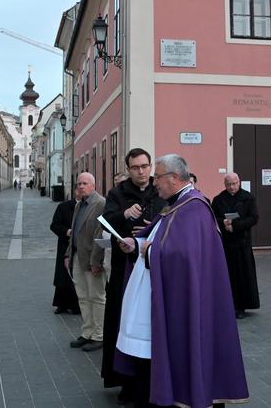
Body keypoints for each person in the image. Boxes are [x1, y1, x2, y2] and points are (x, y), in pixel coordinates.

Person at [117, 154, 249, 408]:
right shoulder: (177, 204)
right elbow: (161, 237)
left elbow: (183, 255)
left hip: (186, 299)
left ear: (174, 178)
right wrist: (138, 244)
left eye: (158, 177)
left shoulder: (195, 207)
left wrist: (149, 250)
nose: (155, 183)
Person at [101, 148, 166, 402]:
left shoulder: (159, 191)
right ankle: (125, 382)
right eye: (136, 167)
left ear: (150, 167)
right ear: (128, 169)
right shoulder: (117, 193)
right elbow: (106, 220)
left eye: (145, 166)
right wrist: (124, 216)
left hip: (153, 270)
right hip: (124, 269)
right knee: (122, 323)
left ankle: (154, 380)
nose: (141, 171)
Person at [65, 172, 107, 352]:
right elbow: (74, 232)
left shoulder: (101, 204)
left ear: (93, 185)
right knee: (83, 297)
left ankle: (99, 335)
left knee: (96, 297)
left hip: (92, 259)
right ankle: (87, 332)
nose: (81, 187)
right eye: (78, 184)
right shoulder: (79, 205)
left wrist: (96, 261)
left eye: (84, 183)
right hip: (77, 256)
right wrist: (68, 254)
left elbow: (100, 235)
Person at [212, 172, 260, 319]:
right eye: (229, 184)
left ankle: (242, 306)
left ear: (239, 182)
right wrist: (223, 223)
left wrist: (236, 226)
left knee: (243, 275)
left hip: (242, 243)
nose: (232, 187)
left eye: (234, 184)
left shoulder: (248, 198)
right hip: (225, 244)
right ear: (224, 185)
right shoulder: (219, 199)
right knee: (228, 275)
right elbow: (213, 217)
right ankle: (228, 304)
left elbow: (253, 218)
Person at [50, 191, 81, 315]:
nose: (81, 190)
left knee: (78, 276)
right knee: (63, 275)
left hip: (82, 247)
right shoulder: (63, 206)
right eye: (79, 187)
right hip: (65, 245)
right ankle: (61, 304)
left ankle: (76, 306)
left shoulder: (91, 207)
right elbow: (54, 225)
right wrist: (67, 231)